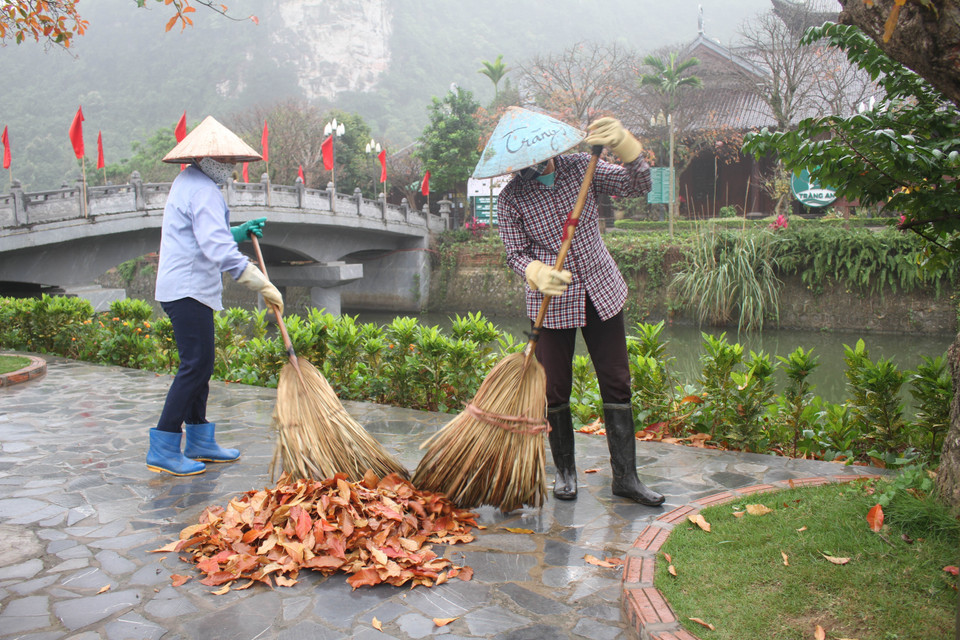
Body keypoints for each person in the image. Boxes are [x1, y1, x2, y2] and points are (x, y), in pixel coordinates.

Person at [474, 107, 665, 506]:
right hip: (552, 300)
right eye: (522, 162)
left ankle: (626, 478)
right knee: (555, 388)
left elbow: (638, 184)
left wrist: (627, 146)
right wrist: (536, 271)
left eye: (536, 155)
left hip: (600, 288)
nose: (532, 165)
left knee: (617, 380)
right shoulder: (511, 199)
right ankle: (564, 473)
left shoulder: (581, 166)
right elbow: (514, 254)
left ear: (548, 146)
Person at [147, 115, 284, 476]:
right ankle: (163, 444)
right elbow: (214, 246)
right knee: (195, 366)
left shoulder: (190, 181)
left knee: (200, 365)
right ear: (207, 159)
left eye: (233, 161)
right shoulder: (203, 190)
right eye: (226, 161)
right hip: (188, 290)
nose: (232, 167)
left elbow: (206, 233)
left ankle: (200, 440)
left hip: (188, 289)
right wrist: (258, 280)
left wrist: (237, 232)